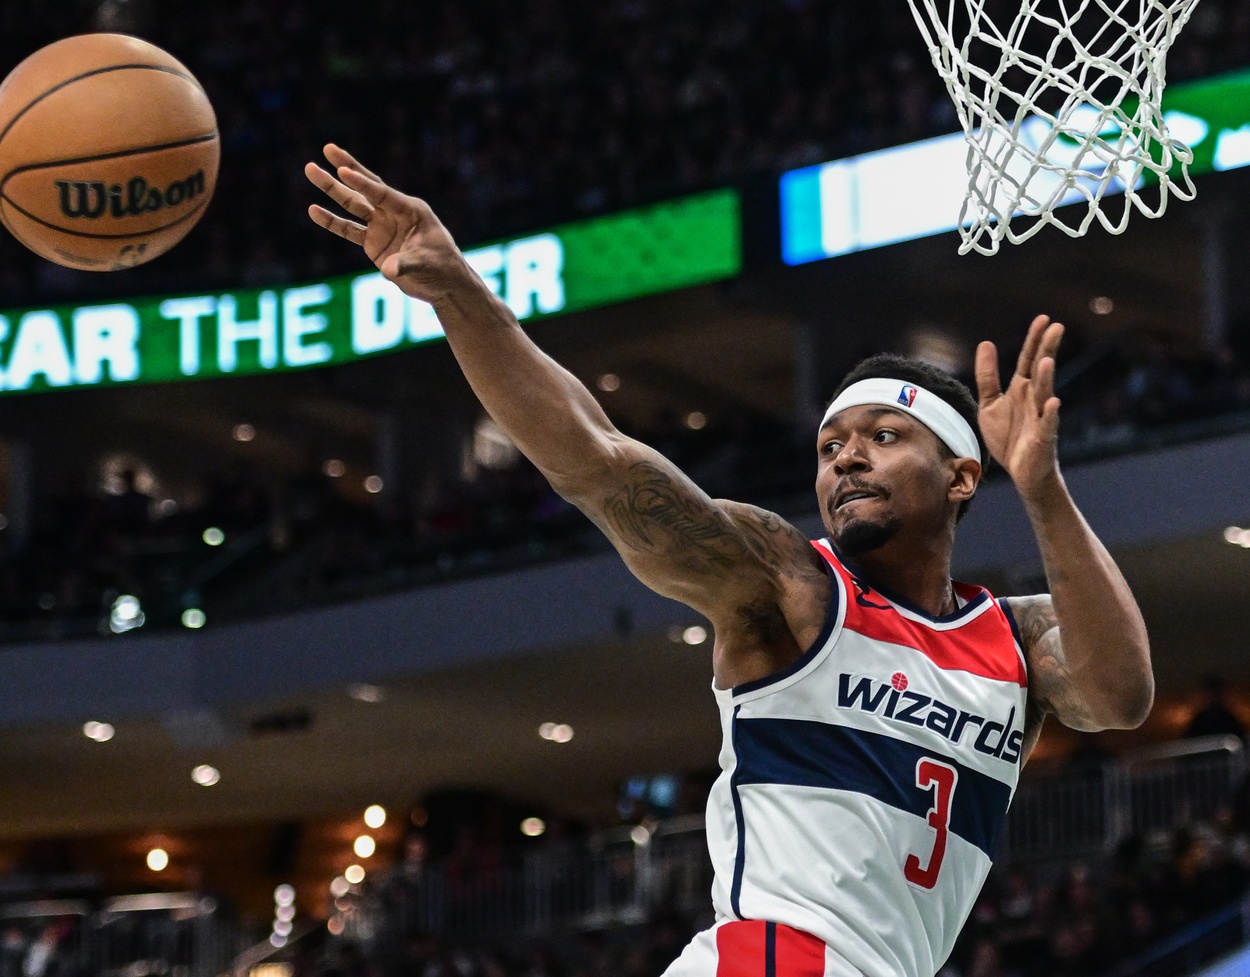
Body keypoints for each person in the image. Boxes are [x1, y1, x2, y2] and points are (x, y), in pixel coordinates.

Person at [305, 145, 1154, 977]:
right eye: (830, 446)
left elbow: (1120, 694)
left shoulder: (1016, 638)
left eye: (882, 438)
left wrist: (1042, 491)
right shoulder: (792, 584)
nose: (846, 459)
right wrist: (458, 290)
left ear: (963, 475)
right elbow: (597, 458)